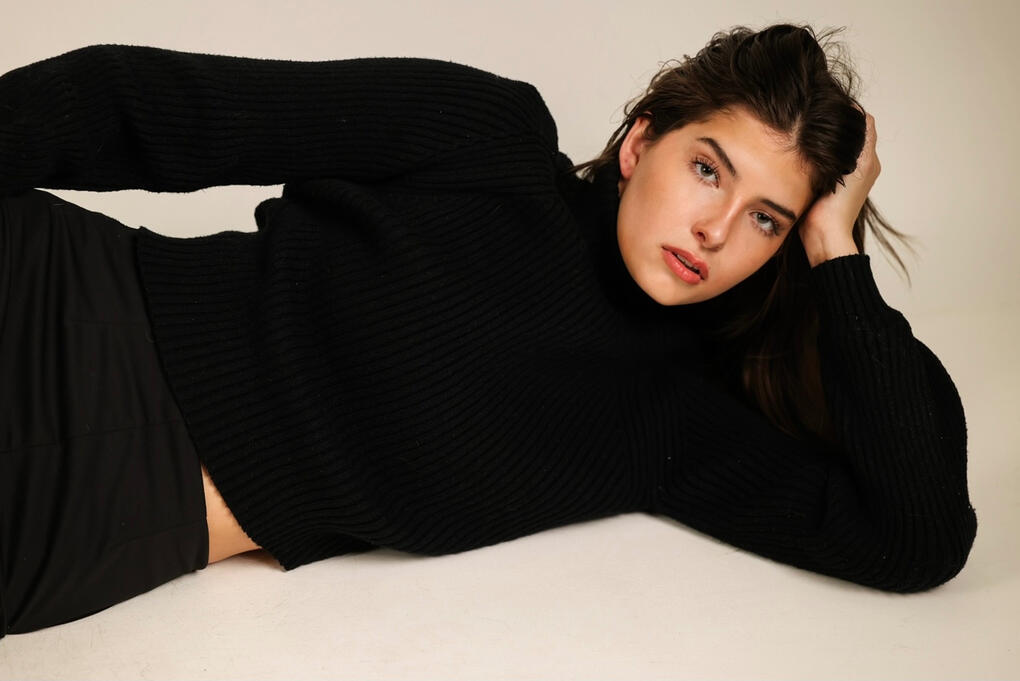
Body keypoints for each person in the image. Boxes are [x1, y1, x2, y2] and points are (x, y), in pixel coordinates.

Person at [0, 22, 978, 639]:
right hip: (62, 296)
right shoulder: (490, 138)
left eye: (767, 217)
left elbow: (917, 537)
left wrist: (837, 251)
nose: (717, 229)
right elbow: (162, 108)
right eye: (707, 168)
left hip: (102, 514)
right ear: (642, 141)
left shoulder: (671, 427)